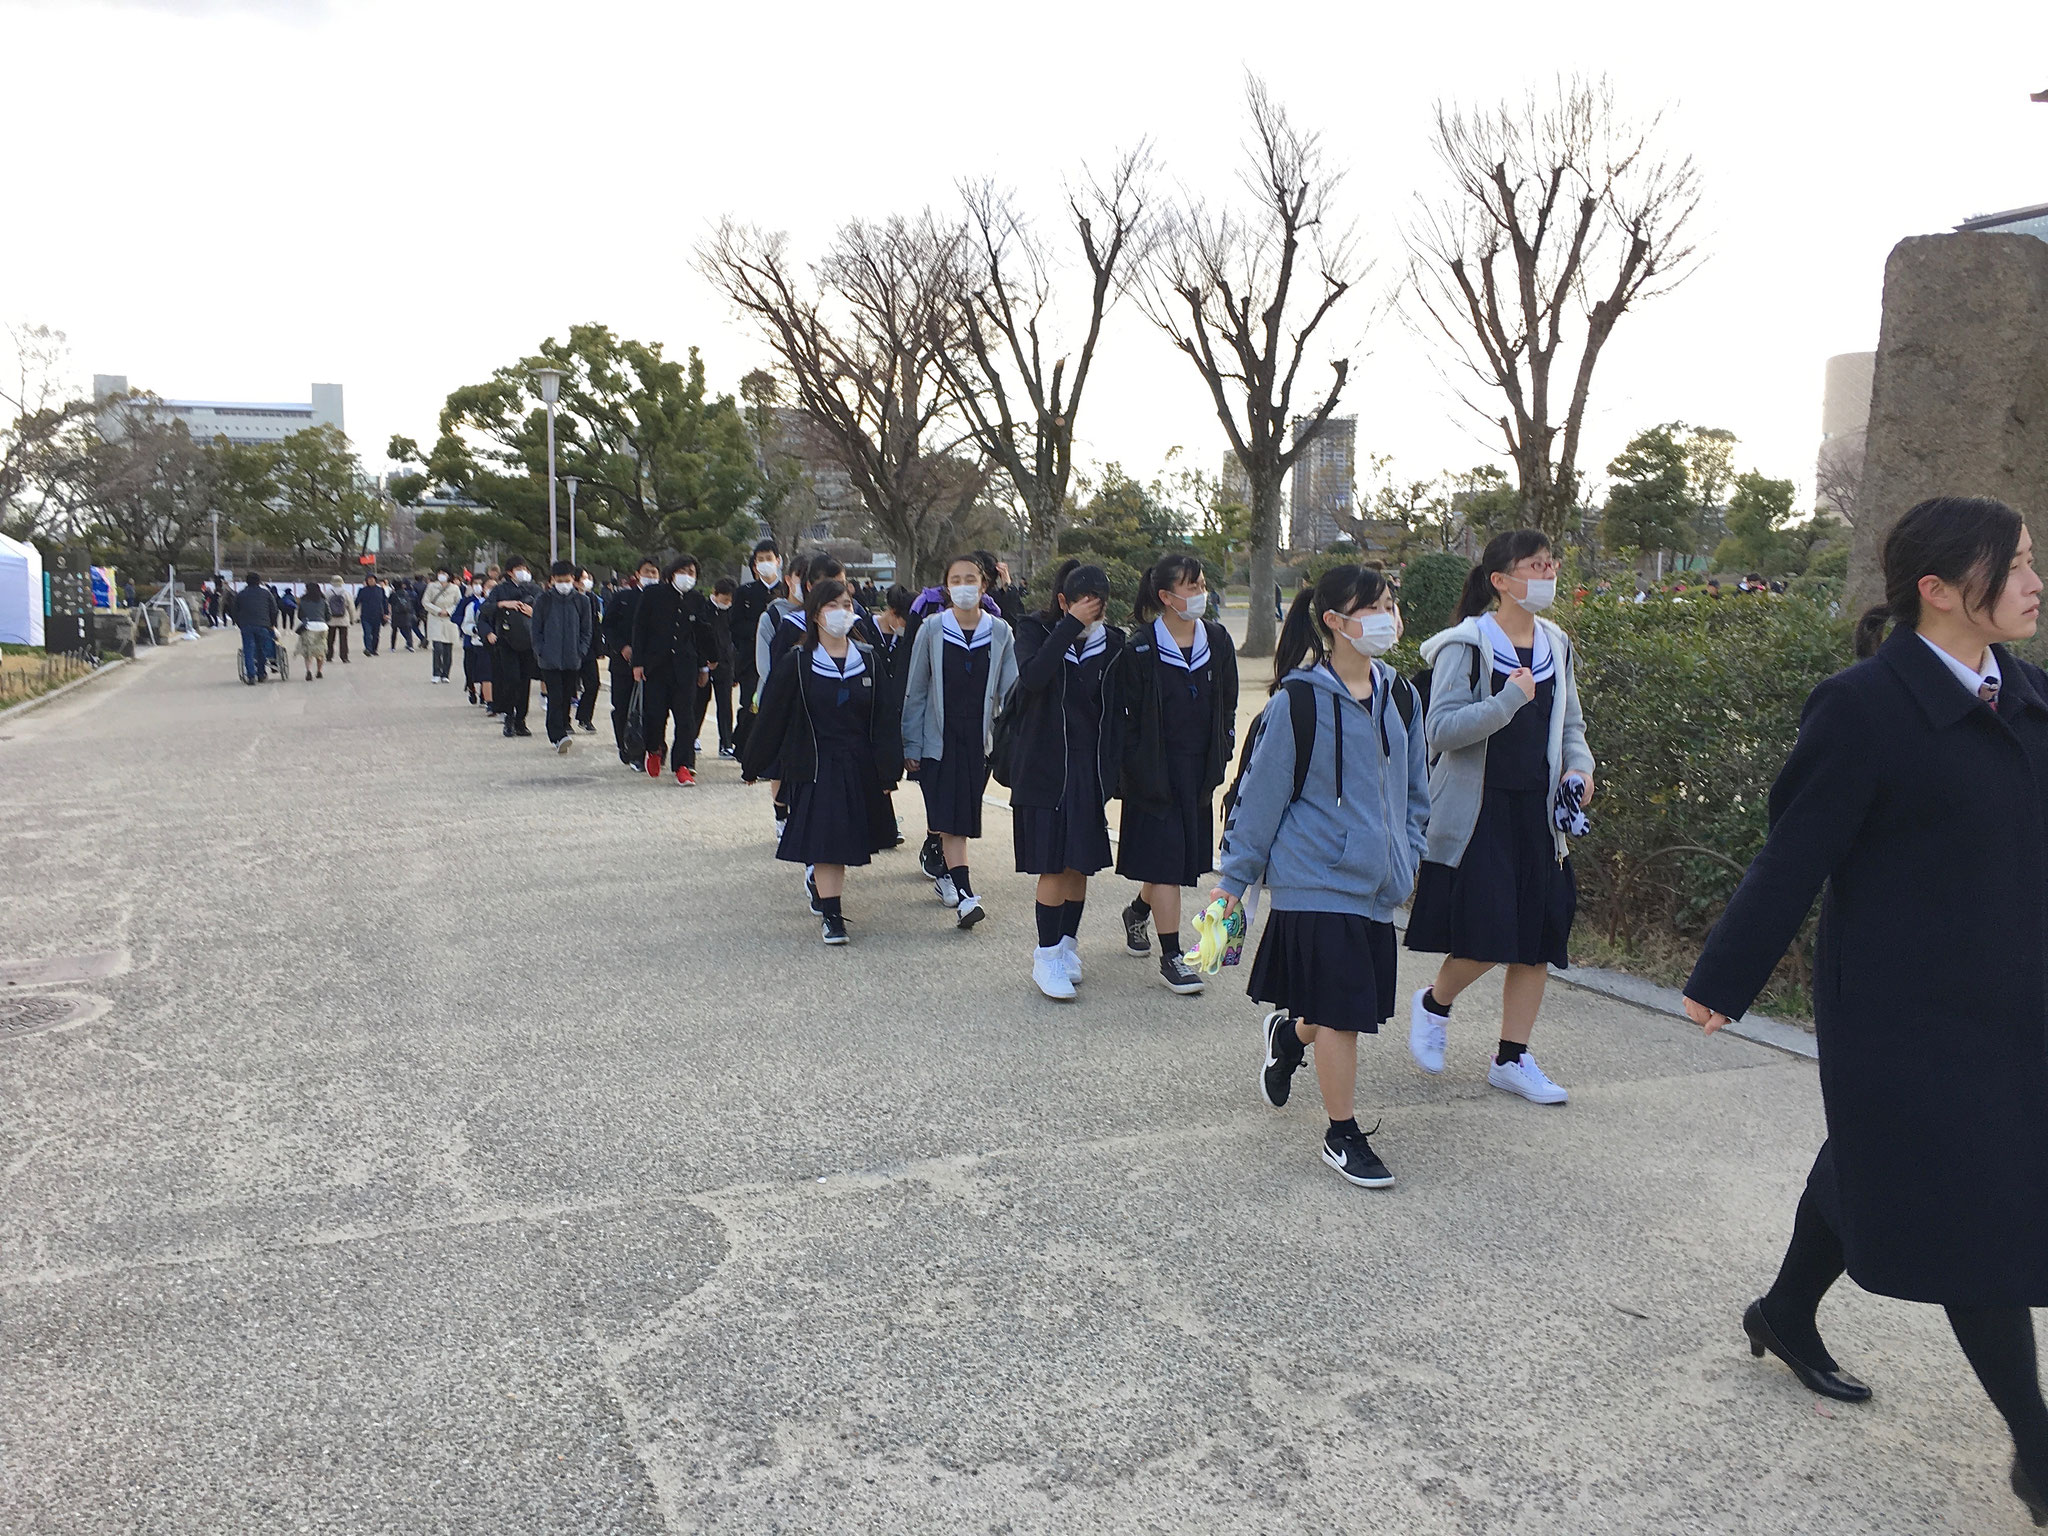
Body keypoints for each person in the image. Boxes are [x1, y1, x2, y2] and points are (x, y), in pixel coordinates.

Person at [1682, 497, 2048, 1527]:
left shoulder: (2028, 697)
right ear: (1936, 589)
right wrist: (1722, 978)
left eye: (2029, 563)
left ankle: (1784, 1313)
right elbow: (1795, 850)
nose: (2032, 582)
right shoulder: (1861, 706)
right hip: (1902, 1013)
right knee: (1975, 1212)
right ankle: (2037, 1446)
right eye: (2013, 566)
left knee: (1868, 1161)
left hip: (2013, 1003)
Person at [1212, 565, 1429, 1187]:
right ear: (1334, 622)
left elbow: (1417, 791)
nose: (1388, 617)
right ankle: (1342, 1133)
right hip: (1314, 879)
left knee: (1345, 1006)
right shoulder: (1297, 701)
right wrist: (1234, 882)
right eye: (1374, 607)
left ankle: (1290, 1033)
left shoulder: (1402, 698)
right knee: (1344, 1014)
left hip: (1378, 884)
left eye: (1392, 603)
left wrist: (1407, 854)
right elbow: (1259, 800)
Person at [1403, 529, 1593, 1105]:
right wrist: (1508, 701)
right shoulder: (1467, 645)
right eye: (1535, 566)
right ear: (1501, 581)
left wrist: (1579, 771)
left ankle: (1512, 1058)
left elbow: (1571, 728)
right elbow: (1441, 730)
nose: (1548, 574)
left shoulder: (1556, 642)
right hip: (1479, 812)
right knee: (1486, 935)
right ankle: (1434, 1003)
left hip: (1539, 813)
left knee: (1537, 941)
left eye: (1551, 563)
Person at [741, 579, 905, 945]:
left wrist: (888, 770)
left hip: (858, 766)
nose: (842, 613)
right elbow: (773, 716)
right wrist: (753, 763)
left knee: (845, 841)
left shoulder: (869, 660)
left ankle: (822, 890)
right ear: (815, 614)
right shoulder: (798, 662)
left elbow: (884, 718)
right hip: (816, 767)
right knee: (828, 843)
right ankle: (832, 916)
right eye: (833, 606)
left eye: (847, 605)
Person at [1112, 553, 1240, 995]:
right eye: (1191, 587)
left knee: (1176, 860)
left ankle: (1137, 913)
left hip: (1198, 771)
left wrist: (1221, 753)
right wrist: (1135, 768)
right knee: (1167, 863)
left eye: (1202, 584)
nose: (1200, 594)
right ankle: (1171, 957)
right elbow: (1124, 718)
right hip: (1152, 773)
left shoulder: (1218, 641)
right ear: (1166, 596)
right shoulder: (1141, 647)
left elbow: (1227, 703)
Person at [1009, 562, 1124, 999]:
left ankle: (1068, 945)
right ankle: (1046, 956)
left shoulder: (1112, 644)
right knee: (1053, 864)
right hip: (1044, 767)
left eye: (1099, 603)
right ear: (1063, 601)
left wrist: (1112, 771)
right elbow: (1033, 678)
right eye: (1083, 602)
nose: (1093, 611)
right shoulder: (1034, 631)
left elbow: (1115, 712)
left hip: (1088, 769)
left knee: (1079, 863)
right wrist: (1068, 627)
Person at [901, 554, 1019, 929]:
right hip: (938, 741)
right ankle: (966, 896)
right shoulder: (932, 629)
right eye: (956, 579)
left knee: (961, 821)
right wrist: (910, 745)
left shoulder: (1000, 631)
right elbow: (916, 690)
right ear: (946, 587)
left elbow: (1011, 692)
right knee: (950, 821)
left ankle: (953, 881)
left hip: (978, 741)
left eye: (972, 579)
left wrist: (1009, 742)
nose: (964, 586)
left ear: (984, 586)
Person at [631, 554, 719, 784]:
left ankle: (683, 765)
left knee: (686, 718)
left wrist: (707, 663)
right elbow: (640, 629)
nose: (687, 577)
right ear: (672, 573)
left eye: (692, 573)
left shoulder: (696, 600)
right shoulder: (653, 595)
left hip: (685, 667)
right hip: (656, 667)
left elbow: (702, 633)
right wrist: (638, 663)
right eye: (684, 572)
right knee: (655, 714)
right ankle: (654, 747)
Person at [531, 559, 595, 754]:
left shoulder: (581, 601)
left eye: (567, 580)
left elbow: (586, 629)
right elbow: (536, 629)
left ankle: (564, 726)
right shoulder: (543, 600)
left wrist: (581, 651)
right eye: (559, 580)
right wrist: (541, 650)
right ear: (552, 580)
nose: (563, 584)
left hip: (572, 658)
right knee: (555, 696)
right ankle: (557, 734)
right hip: (549, 659)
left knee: (567, 696)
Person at [730, 540, 781, 759]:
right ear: (754, 566)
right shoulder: (744, 592)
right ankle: (745, 750)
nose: (765, 563)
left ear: (778, 561)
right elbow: (734, 625)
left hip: (781, 660)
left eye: (769, 558)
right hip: (751, 662)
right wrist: (760, 630)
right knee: (751, 706)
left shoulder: (786, 592)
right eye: (760, 560)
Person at [605, 558, 658, 767]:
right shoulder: (623, 598)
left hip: (652, 665)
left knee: (650, 708)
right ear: (637, 574)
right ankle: (626, 747)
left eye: (655, 572)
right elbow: (607, 626)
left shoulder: (660, 599)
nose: (651, 576)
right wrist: (622, 647)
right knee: (622, 707)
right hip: (623, 664)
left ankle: (650, 748)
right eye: (647, 572)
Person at [481, 559, 540, 738]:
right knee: (512, 679)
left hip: (528, 641)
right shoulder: (501, 589)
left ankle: (521, 720)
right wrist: (502, 604)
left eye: (525, 568)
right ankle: (508, 716)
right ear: (509, 572)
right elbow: (485, 609)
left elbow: (545, 611)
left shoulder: (534, 589)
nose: (523, 572)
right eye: (519, 569)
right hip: (507, 641)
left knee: (525, 681)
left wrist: (533, 611)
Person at [698, 577, 739, 758]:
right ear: (715, 594)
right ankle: (693, 737)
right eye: (724, 599)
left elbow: (734, 639)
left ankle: (726, 743)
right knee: (699, 702)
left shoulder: (731, 613)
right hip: (705, 664)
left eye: (730, 600)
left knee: (725, 704)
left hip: (725, 664)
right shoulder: (703, 609)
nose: (727, 603)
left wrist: (735, 669)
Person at [231, 570, 280, 684]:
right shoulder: (266, 593)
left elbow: (234, 611)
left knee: (248, 650)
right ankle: (261, 673)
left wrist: (240, 623)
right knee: (261, 649)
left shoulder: (241, 594)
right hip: (263, 625)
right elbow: (274, 610)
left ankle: (251, 676)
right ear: (259, 581)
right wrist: (272, 624)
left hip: (246, 625)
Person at [573, 568, 602, 734]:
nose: (587, 581)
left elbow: (596, 625)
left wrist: (599, 648)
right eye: (584, 578)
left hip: (589, 649)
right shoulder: (569, 598)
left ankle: (585, 717)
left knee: (593, 684)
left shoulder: (592, 598)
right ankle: (564, 721)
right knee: (569, 687)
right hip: (571, 649)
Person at [422, 568, 460, 682]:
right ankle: (436, 673)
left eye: (444, 573)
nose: (441, 575)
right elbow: (425, 601)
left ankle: (445, 674)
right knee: (437, 647)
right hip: (435, 619)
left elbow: (458, 602)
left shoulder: (455, 588)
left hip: (449, 620)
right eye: (440, 573)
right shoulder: (432, 586)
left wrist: (449, 611)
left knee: (448, 649)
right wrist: (438, 610)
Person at [455, 578, 489, 704]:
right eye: (476, 584)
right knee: (470, 668)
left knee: (484, 668)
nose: (478, 586)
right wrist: (467, 623)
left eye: (481, 584)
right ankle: (471, 688)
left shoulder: (490, 601)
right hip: (469, 640)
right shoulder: (467, 601)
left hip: (484, 641)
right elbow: (455, 616)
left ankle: (484, 694)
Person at [295, 580, 329, 680]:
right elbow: (328, 615)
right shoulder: (323, 600)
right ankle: (319, 671)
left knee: (308, 651)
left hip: (309, 626)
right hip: (322, 627)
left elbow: (300, 615)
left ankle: (308, 670)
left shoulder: (303, 600)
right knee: (320, 649)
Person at [323, 577, 355, 664]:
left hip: (331, 619)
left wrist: (324, 618)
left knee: (330, 639)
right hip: (343, 619)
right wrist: (352, 619)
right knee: (343, 639)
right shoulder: (346, 593)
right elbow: (351, 607)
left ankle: (329, 655)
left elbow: (324, 606)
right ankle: (344, 657)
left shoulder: (327, 592)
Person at [387, 579, 417, 651]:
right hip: (406, 613)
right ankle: (410, 645)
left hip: (396, 614)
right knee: (408, 630)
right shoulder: (406, 593)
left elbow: (389, 603)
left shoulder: (393, 594)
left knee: (394, 630)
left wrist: (389, 613)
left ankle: (393, 647)